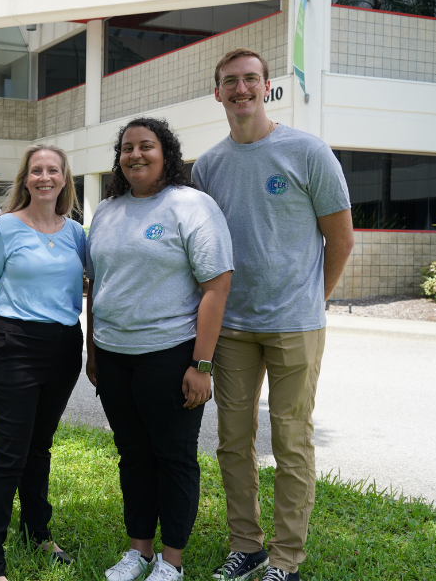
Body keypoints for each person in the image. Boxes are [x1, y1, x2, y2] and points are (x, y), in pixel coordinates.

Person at [193, 49, 354, 581]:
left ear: (268, 87)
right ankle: (248, 545)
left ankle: (286, 559)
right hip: (234, 328)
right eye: (230, 82)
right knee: (233, 442)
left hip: (296, 324)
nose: (241, 90)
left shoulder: (308, 152)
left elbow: (340, 237)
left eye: (251, 80)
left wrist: (314, 298)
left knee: (291, 441)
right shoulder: (208, 166)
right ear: (217, 92)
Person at [85, 117, 234, 581]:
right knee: (132, 454)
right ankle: (139, 553)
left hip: (170, 354)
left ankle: (172, 561)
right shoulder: (108, 210)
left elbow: (217, 286)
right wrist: (92, 350)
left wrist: (201, 364)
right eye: (127, 148)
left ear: (165, 153)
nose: (136, 155)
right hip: (113, 356)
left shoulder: (192, 206)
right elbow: (98, 286)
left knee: (173, 457)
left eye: (146, 146)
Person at [0, 143, 87, 581]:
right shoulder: (3, 229)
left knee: (39, 448)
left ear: (64, 179)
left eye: (52, 170)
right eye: (36, 170)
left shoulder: (76, 233)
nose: (44, 177)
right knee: (8, 455)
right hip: (14, 345)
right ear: (25, 179)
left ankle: (37, 533)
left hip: (63, 348)